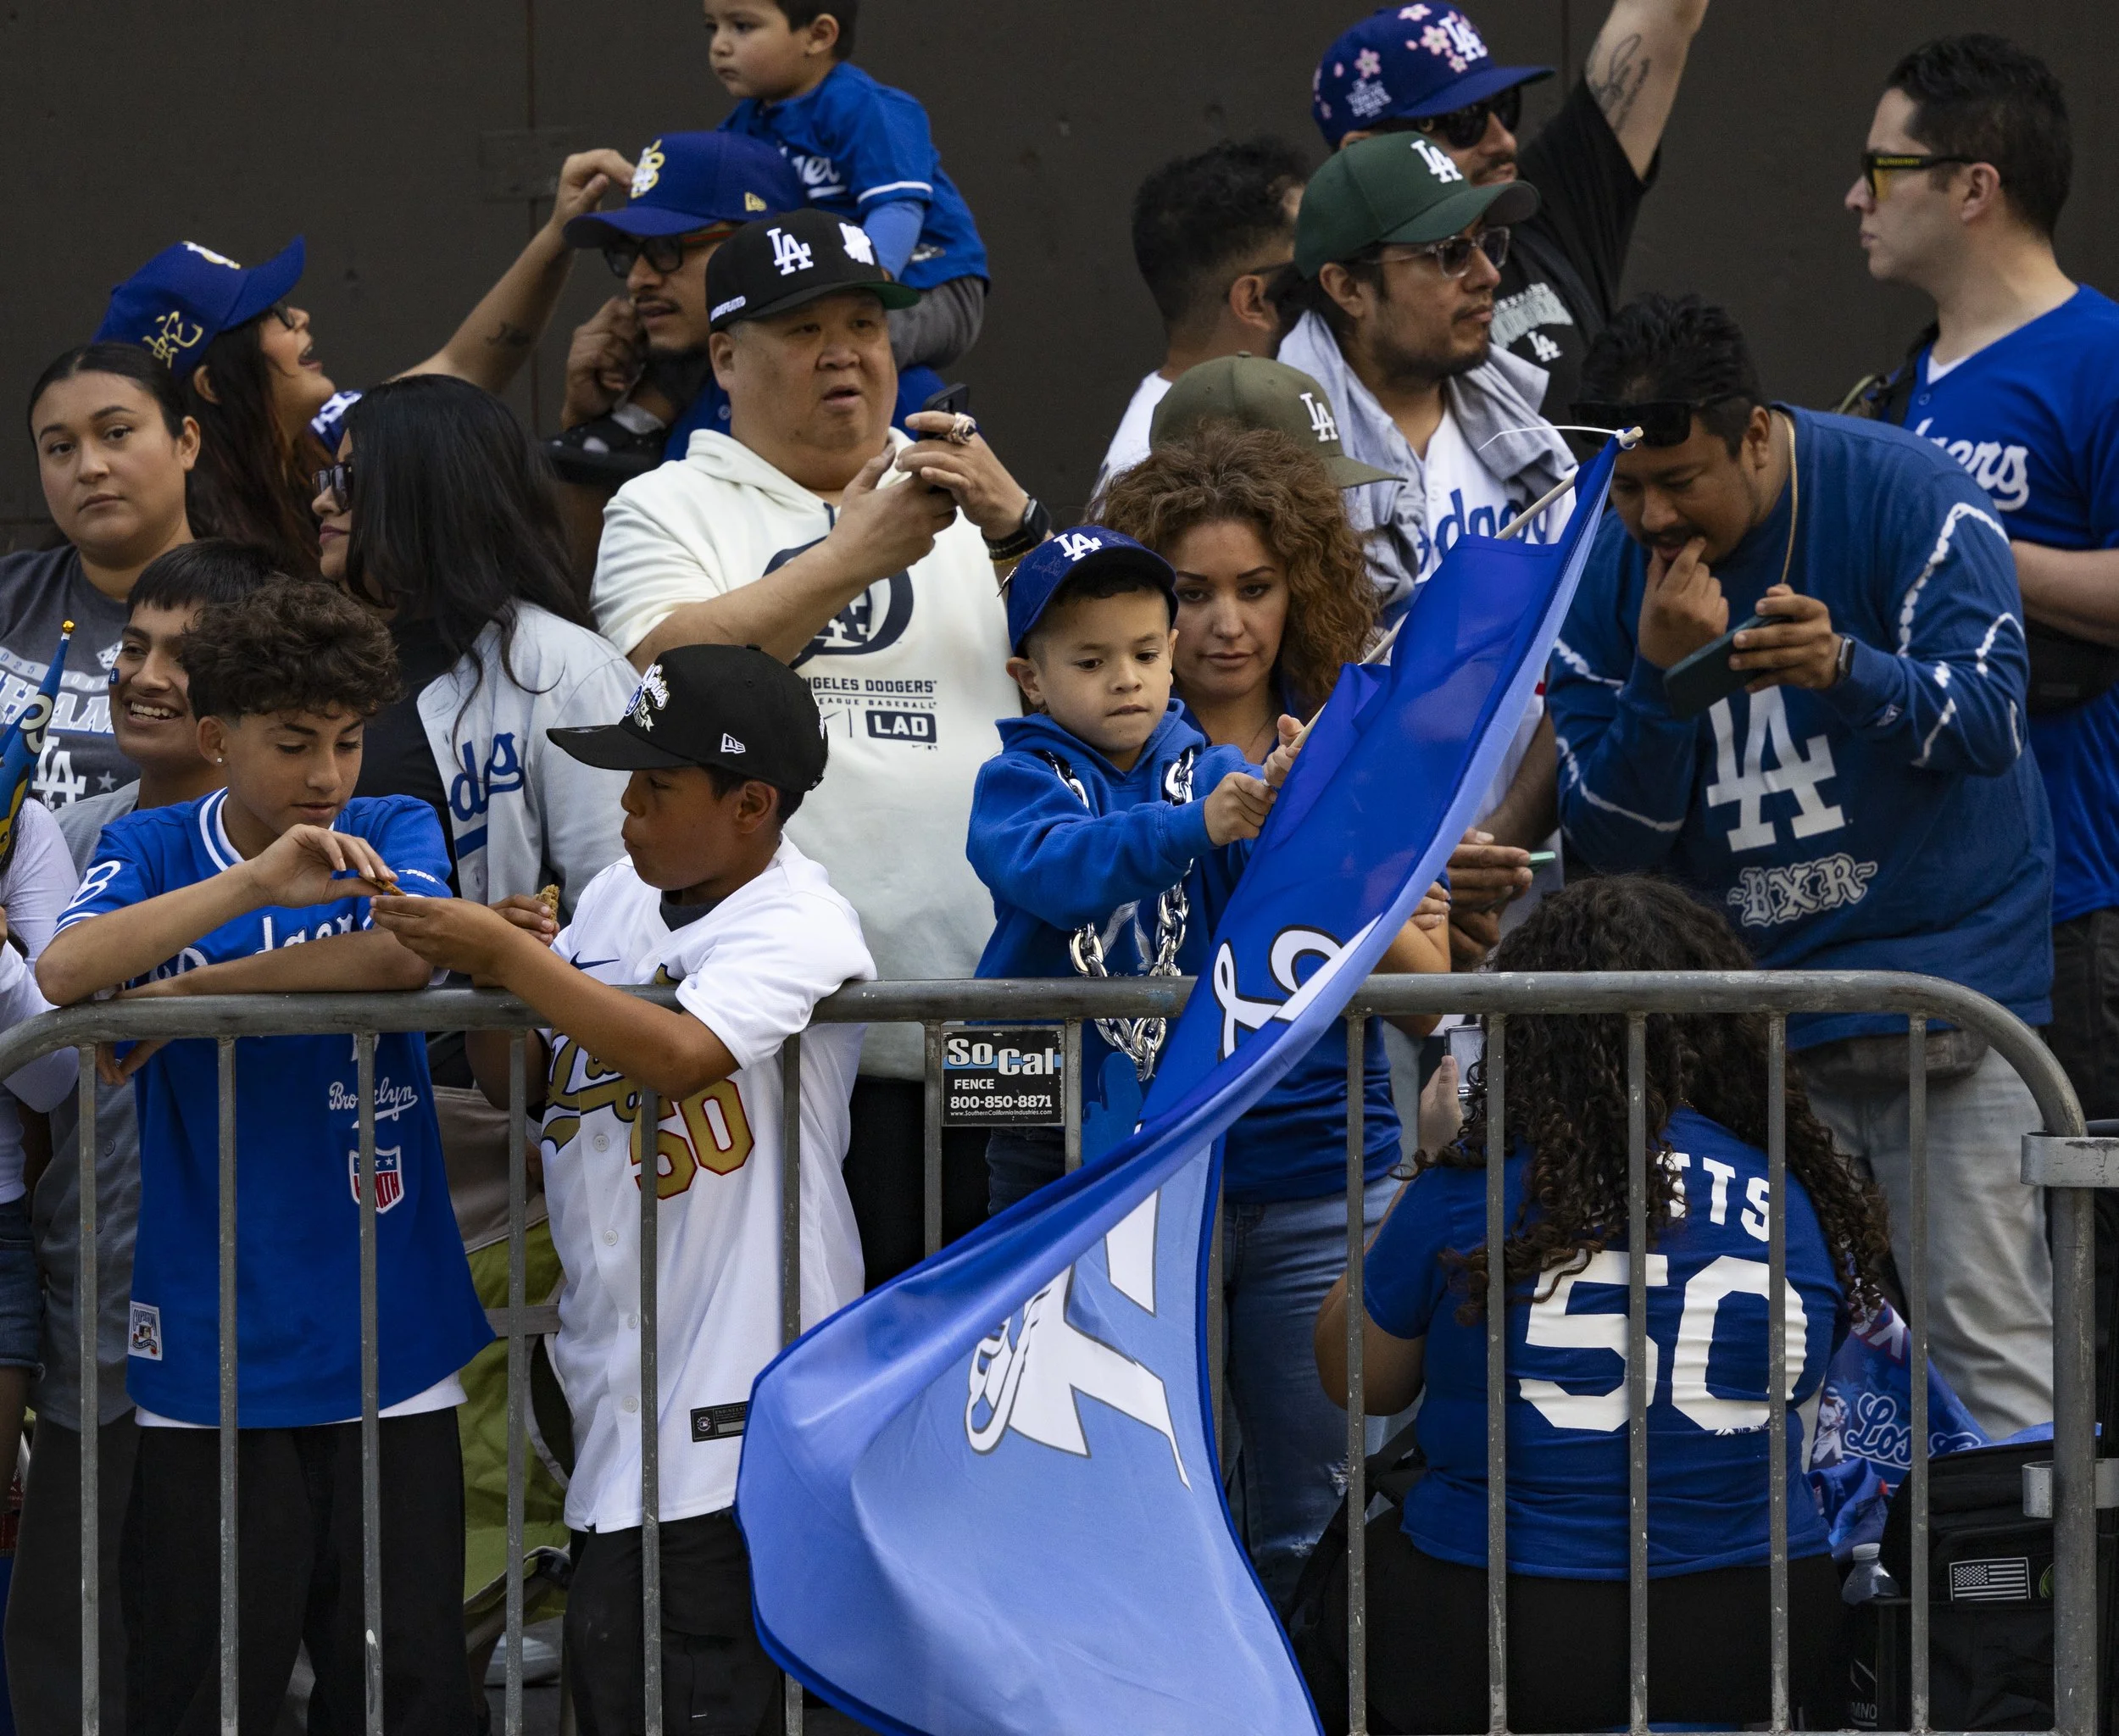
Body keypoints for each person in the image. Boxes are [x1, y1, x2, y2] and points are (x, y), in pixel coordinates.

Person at [1549, 292, 2055, 1438]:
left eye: (1681, 481)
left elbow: (1990, 721)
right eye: (1628, 489)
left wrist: (1846, 669)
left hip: (1947, 1001)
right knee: (1784, 1373)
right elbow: (1607, 849)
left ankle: (2016, 1611)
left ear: (1759, 435)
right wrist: (1661, 690)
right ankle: (1842, 1616)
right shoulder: (1608, 566)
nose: (1654, 518)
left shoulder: (1908, 493)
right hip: (1755, 1033)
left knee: (1991, 1350)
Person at [370, 643, 876, 1736]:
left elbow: (682, 1053)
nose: (627, 807)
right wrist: (506, 973)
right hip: (618, 1397)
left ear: (750, 804)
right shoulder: (613, 898)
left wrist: (521, 972)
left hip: (743, 1404)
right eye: (625, 778)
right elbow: (528, 1086)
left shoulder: (803, 919)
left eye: (657, 784)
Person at [37, 581, 492, 1735]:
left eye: (345, 741)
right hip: (212, 1341)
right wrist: (255, 884)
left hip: (392, 1335)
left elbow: (403, 961)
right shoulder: (148, 841)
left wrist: (187, 993)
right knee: (204, 1683)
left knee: (404, 1685)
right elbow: (65, 973)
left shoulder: (393, 826)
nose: (328, 775)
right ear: (216, 738)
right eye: (294, 744)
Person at [1305, 875, 1890, 1733]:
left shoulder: (1483, 1180)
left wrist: (1425, 1166)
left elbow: (1356, 1377)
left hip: (1512, 1613)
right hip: (1750, 1617)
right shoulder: (1793, 1190)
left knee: (1345, 1585)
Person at [589, 207, 1035, 1282]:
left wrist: (1025, 531)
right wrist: (851, 554)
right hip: (779, 1042)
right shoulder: (663, 504)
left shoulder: (963, 490)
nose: (844, 352)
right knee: (820, 1360)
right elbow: (668, 678)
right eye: (802, 330)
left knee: (992, 1370)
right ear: (725, 358)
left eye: (864, 324)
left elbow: (1111, 671)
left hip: (990, 1015)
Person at [1096, 426, 1455, 1603]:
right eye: (1189, 593)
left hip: (1321, 1180)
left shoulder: (1359, 742)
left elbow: (1425, 994)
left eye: (1255, 588)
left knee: (1313, 1531)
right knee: (1159, 1530)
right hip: (1151, 1191)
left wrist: (1320, 834)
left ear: (1300, 591)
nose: (1224, 624)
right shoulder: (1086, 752)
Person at [1838, 36, 2119, 1428]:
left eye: (1882, 168)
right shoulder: (1900, 392)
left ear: (1974, 187)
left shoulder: (2099, 356)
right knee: (1940, 1311)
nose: (1853, 198)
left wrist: (1974, 551)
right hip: (1936, 918)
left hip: (2076, 899)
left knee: (2072, 1295)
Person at [8, 540, 275, 1736]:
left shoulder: (309, 839)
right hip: (100, 1290)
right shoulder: (69, 825)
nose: (146, 676)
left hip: (265, 1310)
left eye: (186, 652)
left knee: (231, 1621)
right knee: (77, 1617)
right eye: (134, 646)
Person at [1276, 133, 1569, 954]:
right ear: (1345, 285)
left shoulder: (1532, 441)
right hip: (1358, 912)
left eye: (1487, 244)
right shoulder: (1281, 454)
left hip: (1525, 887)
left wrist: (1497, 843)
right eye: (1445, 253)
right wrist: (1423, 866)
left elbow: (1582, 664)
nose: (1485, 275)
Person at [92, 143, 635, 572]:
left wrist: (560, 233)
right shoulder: (186, 541)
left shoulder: (326, 436)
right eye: (271, 315)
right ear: (211, 385)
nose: (299, 317)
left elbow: (464, 369)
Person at [970, 526, 1297, 1193]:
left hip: (1179, 1103)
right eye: (1091, 663)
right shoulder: (1011, 782)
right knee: (1037, 1295)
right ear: (1030, 679)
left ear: (1172, 654)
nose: (1126, 680)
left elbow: (1273, 892)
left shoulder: (1219, 774)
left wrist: (1287, 796)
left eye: (1145, 653)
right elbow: (1058, 872)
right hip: (1036, 1111)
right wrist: (1193, 826)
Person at [311, 374, 634, 915]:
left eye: (348, 478)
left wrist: (493, 949)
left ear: (429, 489)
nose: (322, 501)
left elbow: (620, 906)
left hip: (493, 999)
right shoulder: (324, 653)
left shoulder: (568, 667)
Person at [1310, 0, 1710, 416]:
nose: (1503, 142)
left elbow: (1668, 12)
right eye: (1461, 121)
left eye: (1502, 106)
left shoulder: (1546, 206)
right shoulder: (1318, 318)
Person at [706, 0, 990, 375]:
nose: (719, 45)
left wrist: (867, 291)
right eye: (713, 27)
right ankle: (631, 424)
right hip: (828, 294)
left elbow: (899, 208)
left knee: (834, 355)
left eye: (742, 26)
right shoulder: (743, 126)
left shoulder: (865, 106)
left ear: (818, 35)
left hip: (927, 281)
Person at [549, 130, 807, 489]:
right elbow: (593, 545)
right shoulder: (663, 402)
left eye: (667, 248)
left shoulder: (866, 391)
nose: (638, 279)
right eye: (630, 253)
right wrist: (586, 426)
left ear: (760, 243)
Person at [14, 344, 198, 814]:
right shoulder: (9, 594)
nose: (90, 467)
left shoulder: (258, 608)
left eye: (116, 433)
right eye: (60, 448)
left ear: (187, 442)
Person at [1093, 138, 1310, 496]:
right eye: (1307, 265)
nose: (1332, 279)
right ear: (1254, 300)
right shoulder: (1165, 476)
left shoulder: (1233, 422)